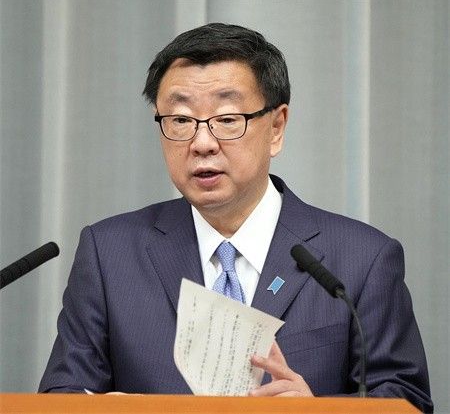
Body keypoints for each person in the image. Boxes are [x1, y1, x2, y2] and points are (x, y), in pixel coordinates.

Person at [39, 23, 433, 412]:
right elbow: (61, 394)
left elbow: (407, 402)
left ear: (276, 127)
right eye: (180, 120)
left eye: (227, 119)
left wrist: (315, 411)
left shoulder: (361, 259)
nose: (202, 143)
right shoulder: (110, 254)